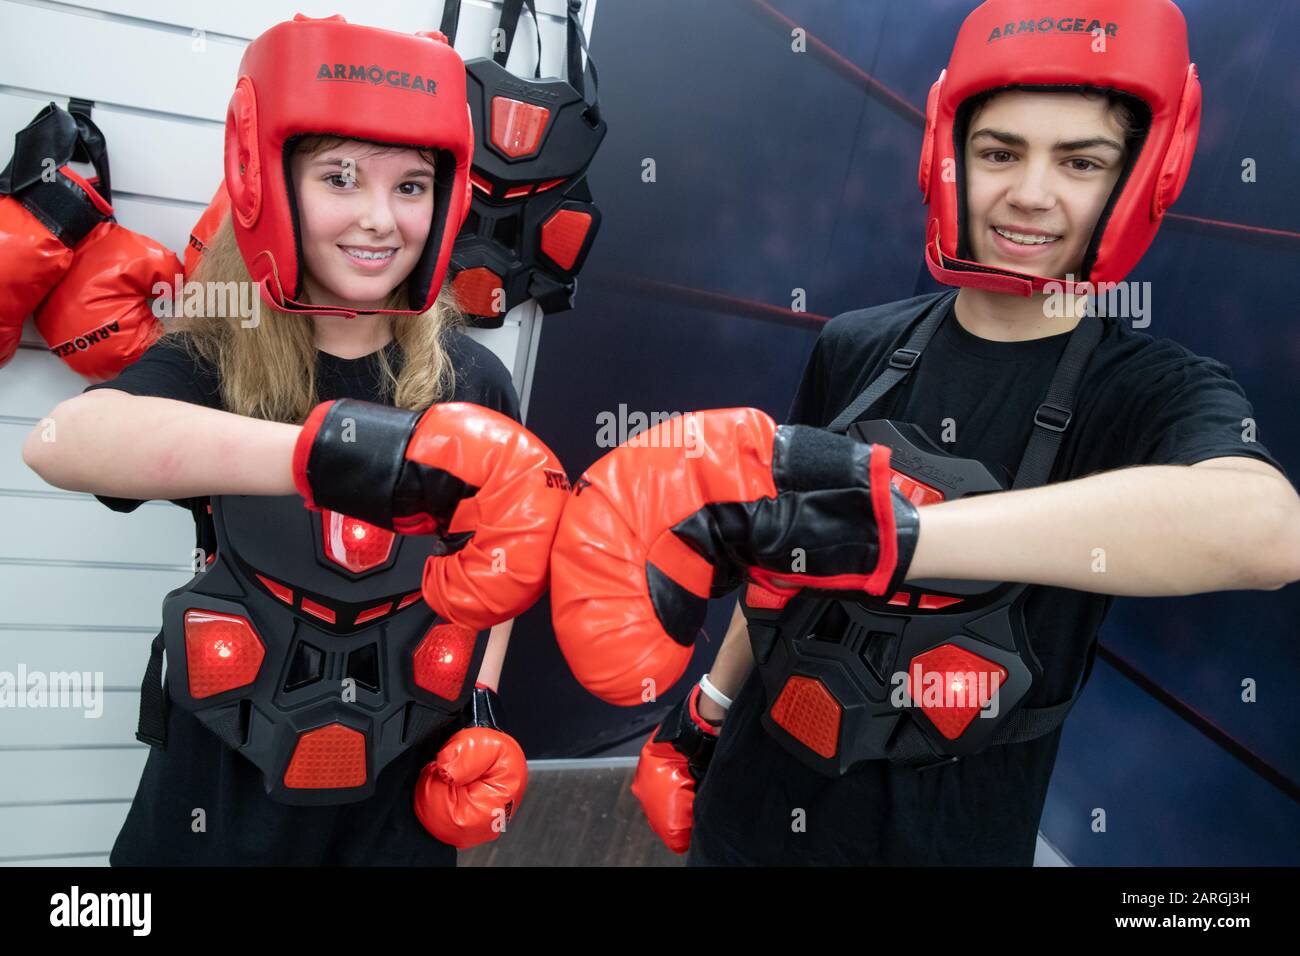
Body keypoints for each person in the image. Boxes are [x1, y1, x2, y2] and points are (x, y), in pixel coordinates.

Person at [546, 0, 1299, 865]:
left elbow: (1269, 529)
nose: (1029, 193)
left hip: (945, 839)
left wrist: (906, 539)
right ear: (950, 157)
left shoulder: (1144, 389)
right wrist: (705, 715)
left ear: (1139, 180)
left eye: (1080, 162)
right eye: (1000, 152)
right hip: (754, 808)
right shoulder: (859, 342)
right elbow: (780, 573)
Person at [21, 15, 566, 866]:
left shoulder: (472, 380)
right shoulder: (218, 346)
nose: (380, 220)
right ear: (270, 181)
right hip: (224, 784)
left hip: (397, 784)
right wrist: (328, 456)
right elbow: (62, 441)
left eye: (412, 186)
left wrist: (484, 702)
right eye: (340, 177)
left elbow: (505, 559)